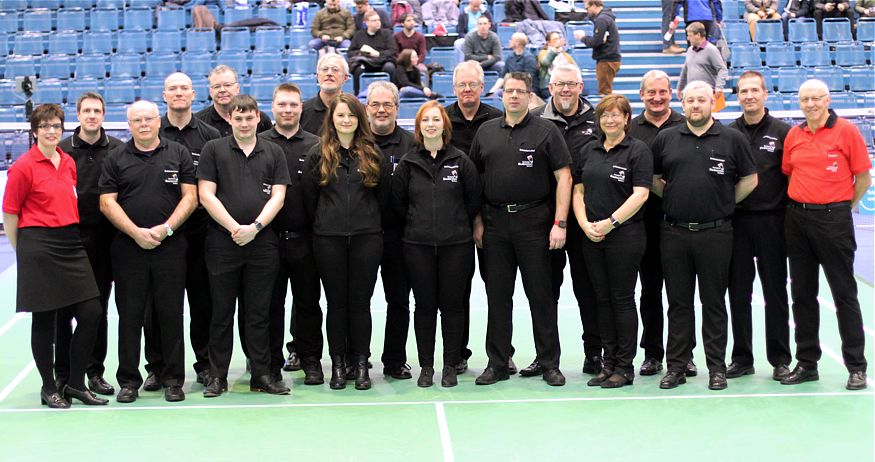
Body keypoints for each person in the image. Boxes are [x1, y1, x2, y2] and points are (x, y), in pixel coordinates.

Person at [651, 80, 758, 391]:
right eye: (690, 101)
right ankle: (676, 366)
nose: (695, 105)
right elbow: (655, 179)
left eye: (701, 100)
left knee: (713, 303)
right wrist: (673, 198)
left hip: (716, 233)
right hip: (674, 233)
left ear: (713, 103)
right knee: (678, 303)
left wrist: (724, 202)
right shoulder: (666, 138)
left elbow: (750, 179)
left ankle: (716, 368)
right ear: (682, 105)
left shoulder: (732, 139)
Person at [469, 72, 572, 387]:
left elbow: (564, 178)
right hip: (496, 224)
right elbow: (474, 182)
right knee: (498, 296)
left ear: (530, 96)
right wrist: (478, 223)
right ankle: (498, 362)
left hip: (535, 223)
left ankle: (549, 363)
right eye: (509, 91)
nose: (513, 96)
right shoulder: (486, 132)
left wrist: (560, 223)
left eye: (520, 91)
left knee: (541, 295)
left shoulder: (547, 131)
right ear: (501, 96)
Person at [3, 104, 105, 409]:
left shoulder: (68, 161)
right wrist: (23, 251)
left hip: (71, 244)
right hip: (38, 245)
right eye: (45, 126)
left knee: (91, 313)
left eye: (56, 126)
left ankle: (74, 384)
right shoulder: (23, 166)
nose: (51, 131)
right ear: (35, 132)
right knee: (45, 321)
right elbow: (10, 214)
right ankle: (49, 388)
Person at [99, 100, 197, 404]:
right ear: (129, 125)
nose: (143, 124)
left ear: (159, 121)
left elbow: (190, 198)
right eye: (137, 120)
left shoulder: (178, 153)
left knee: (170, 315)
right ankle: (128, 380)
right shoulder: (116, 158)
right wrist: (136, 233)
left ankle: (173, 380)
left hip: (170, 247)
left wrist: (166, 229)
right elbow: (107, 202)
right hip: (128, 249)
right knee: (130, 317)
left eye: (149, 119)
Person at [197, 95, 291, 397]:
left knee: (259, 313)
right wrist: (234, 228)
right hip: (222, 244)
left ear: (257, 118)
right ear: (229, 120)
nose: (244, 123)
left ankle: (261, 375)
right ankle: (217, 376)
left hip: (262, 244)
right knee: (221, 312)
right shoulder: (213, 149)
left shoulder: (273, 151)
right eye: (238, 118)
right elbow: (206, 195)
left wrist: (255, 228)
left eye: (249, 117)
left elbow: (278, 196)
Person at [781, 79, 871, 391]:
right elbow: (790, 172)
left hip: (834, 220)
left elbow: (863, 177)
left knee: (844, 293)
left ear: (827, 99)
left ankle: (856, 366)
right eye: (805, 99)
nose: (810, 104)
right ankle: (807, 363)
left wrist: (842, 206)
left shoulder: (846, 131)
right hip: (797, 219)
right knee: (802, 294)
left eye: (816, 98)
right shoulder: (794, 134)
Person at [301, 93, 392, 391]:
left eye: (351, 115)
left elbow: (384, 199)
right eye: (340, 115)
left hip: (367, 239)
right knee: (336, 304)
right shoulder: (318, 154)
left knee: (360, 304)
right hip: (329, 240)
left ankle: (361, 363)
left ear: (359, 119)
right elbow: (309, 200)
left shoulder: (373, 154)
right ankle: (338, 364)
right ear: (332, 119)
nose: (346, 120)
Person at [392, 101, 482, 387]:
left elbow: (472, 201)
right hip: (417, 246)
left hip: (456, 246)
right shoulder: (408, 163)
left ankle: (451, 366)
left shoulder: (461, 161)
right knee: (425, 306)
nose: (431, 124)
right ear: (418, 127)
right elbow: (398, 204)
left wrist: (453, 225)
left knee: (453, 307)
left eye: (436, 119)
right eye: (425, 120)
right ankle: (427, 366)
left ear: (445, 125)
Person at [525, 63, 602, 379]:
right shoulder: (536, 121)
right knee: (544, 293)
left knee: (589, 291)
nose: (566, 89)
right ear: (551, 87)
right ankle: (545, 357)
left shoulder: (598, 120)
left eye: (572, 84)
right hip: (547, 222)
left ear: (581, 87)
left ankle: (594, 354)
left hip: (587, 220)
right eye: (560, 84)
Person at [572, 94, 652, 388]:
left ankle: (624, 367)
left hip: (625, 236)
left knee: (621, 299)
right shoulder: (589, 149)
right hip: (592, 236)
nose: (610, 120)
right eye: (605, 115)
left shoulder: (638, 151)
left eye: (616, 115)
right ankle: (607, 364)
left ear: (627, 118)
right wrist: (584, 224)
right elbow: (578, 191)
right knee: (601, 300)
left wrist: (611, 222)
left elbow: (641, 194)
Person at [156, 72, 222, 388]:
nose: (179, 93)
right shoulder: (151, 131)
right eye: (173, 88)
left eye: (184, 88)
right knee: (158, 306)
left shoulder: (209, 136)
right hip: (161, 234)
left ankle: (205, 363)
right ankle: (157, 367)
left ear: (194, 95)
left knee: (202, 302)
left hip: (199, 232)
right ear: (164, 95)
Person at [726, 71, 793, 381]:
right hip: (737, 223)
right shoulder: (727, 133)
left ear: (766, 94)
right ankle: (741, 358)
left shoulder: (783, 132)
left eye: (755, 90)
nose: (749, 95)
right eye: (743, 91)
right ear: (737, 96)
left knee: (775, 292)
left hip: (773, 223)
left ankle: (780, 358)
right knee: (738, 293)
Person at [55, 93, 123, 397]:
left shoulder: (118, 149)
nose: (92, 115)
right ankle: (64, 374)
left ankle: (94, 372)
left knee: (96, 309)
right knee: (63, 310)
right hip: (69, 240)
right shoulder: (61, 150)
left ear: (104, 115)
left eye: (97, 110)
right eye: (86, 111)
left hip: (106, 240)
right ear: (78, 115)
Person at [627, 70, 691, 377]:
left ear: (671, 94)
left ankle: (684, 354)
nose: (656, 97)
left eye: (662, 92)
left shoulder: (687, 124)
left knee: (681, 294)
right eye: (651, 92)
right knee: (649, 292)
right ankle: (652, 353)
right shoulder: (630, 129)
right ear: (641, 95)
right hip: (643, 226)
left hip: (681, 224)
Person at [259, 83, 324, 385]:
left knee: (308, 305)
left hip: (306, 241)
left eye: (293, 105)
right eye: (282, 104)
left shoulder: (316, 145)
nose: (287, 110)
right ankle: (270, 365)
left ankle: (311, 361)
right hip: (267, 242)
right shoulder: (257, 144)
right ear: (272, 107)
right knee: (270, 306)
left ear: (301, 108)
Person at [444, 61, 504, 374]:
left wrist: (480, 217)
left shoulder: (497, 119)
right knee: (458, 291)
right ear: (454, 89)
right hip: (455, 221)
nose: (467, 90)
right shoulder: (444, 120)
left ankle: (502, 352)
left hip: (492, 218)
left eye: (473, 85)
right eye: (462, 85)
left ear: (482, 87)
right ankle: (458, 352)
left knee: (497, 288)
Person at [365, 81, 416, 381]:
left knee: (398, 301)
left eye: (387, 105)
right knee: (358, 301)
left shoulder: (411, 145)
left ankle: (395, 360)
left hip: (400, 237)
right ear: (367, 108)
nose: (381, 110)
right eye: (375, 105)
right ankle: (358, 357)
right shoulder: (356, 144)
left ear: (397, 108)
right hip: (362, 236)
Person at [195, 65, 273, 137]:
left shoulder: (260, 119)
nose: (222, 90)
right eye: (217, 86)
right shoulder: (198, 122)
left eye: (227, 85)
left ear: (237, 88)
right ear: (210, 91)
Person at [573, 0, 622, 95]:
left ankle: (607, 110)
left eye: (587, 8)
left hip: (606, 60)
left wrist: (583, 37)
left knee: (604, 92)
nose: (587, 11)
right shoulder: (606, 17)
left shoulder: (602, 19)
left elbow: (596, 42)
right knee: (605, 90)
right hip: (610, 58)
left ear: (594, 5)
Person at [676, 22, 727, 107]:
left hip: (707, 94)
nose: (688, 38)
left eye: (690, 35)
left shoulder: (711, 50)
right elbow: (685, 70)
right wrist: (679, 88)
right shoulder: (689, 50)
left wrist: (719, 87)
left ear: (698, 35)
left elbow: (722, 69)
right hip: (692, 93)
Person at [349, 10, 399, 95]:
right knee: (358, 70)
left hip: (383, 61)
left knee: (390, 67)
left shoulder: (386, 34)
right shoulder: (359, 35)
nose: (378, 22)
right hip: (366, 62)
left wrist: (378, 54)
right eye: (374, 20)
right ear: (367, 22)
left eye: (378, 20)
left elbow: (393, 50)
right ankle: (358, 95)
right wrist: (364, 53)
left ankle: (392, 93)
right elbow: (351, 52)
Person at [301, 53, 351, 135]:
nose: (329, 74)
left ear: (345, 78)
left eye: (335, 70)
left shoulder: (355, 109)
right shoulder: (303, 111)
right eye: (325, 69)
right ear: (317, 76)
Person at [486, 33, 538, 97]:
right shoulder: (510, 57)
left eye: (511, 39)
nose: (509, 41)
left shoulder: (529, 58)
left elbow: (529, 80)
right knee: (496, 93)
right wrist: (491, 91)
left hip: (526, 89)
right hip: (512, 87)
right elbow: (503, 77)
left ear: (517, 43)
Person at [536, 31, 576, 99]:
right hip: (548, 86)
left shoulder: (565, 55)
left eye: (559, 38)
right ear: (549, 42)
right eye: (555, 39)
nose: (558, 41)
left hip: (566, 85)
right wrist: (555, 50)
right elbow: (545, 63)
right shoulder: (543, 53)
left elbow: (575, 69)